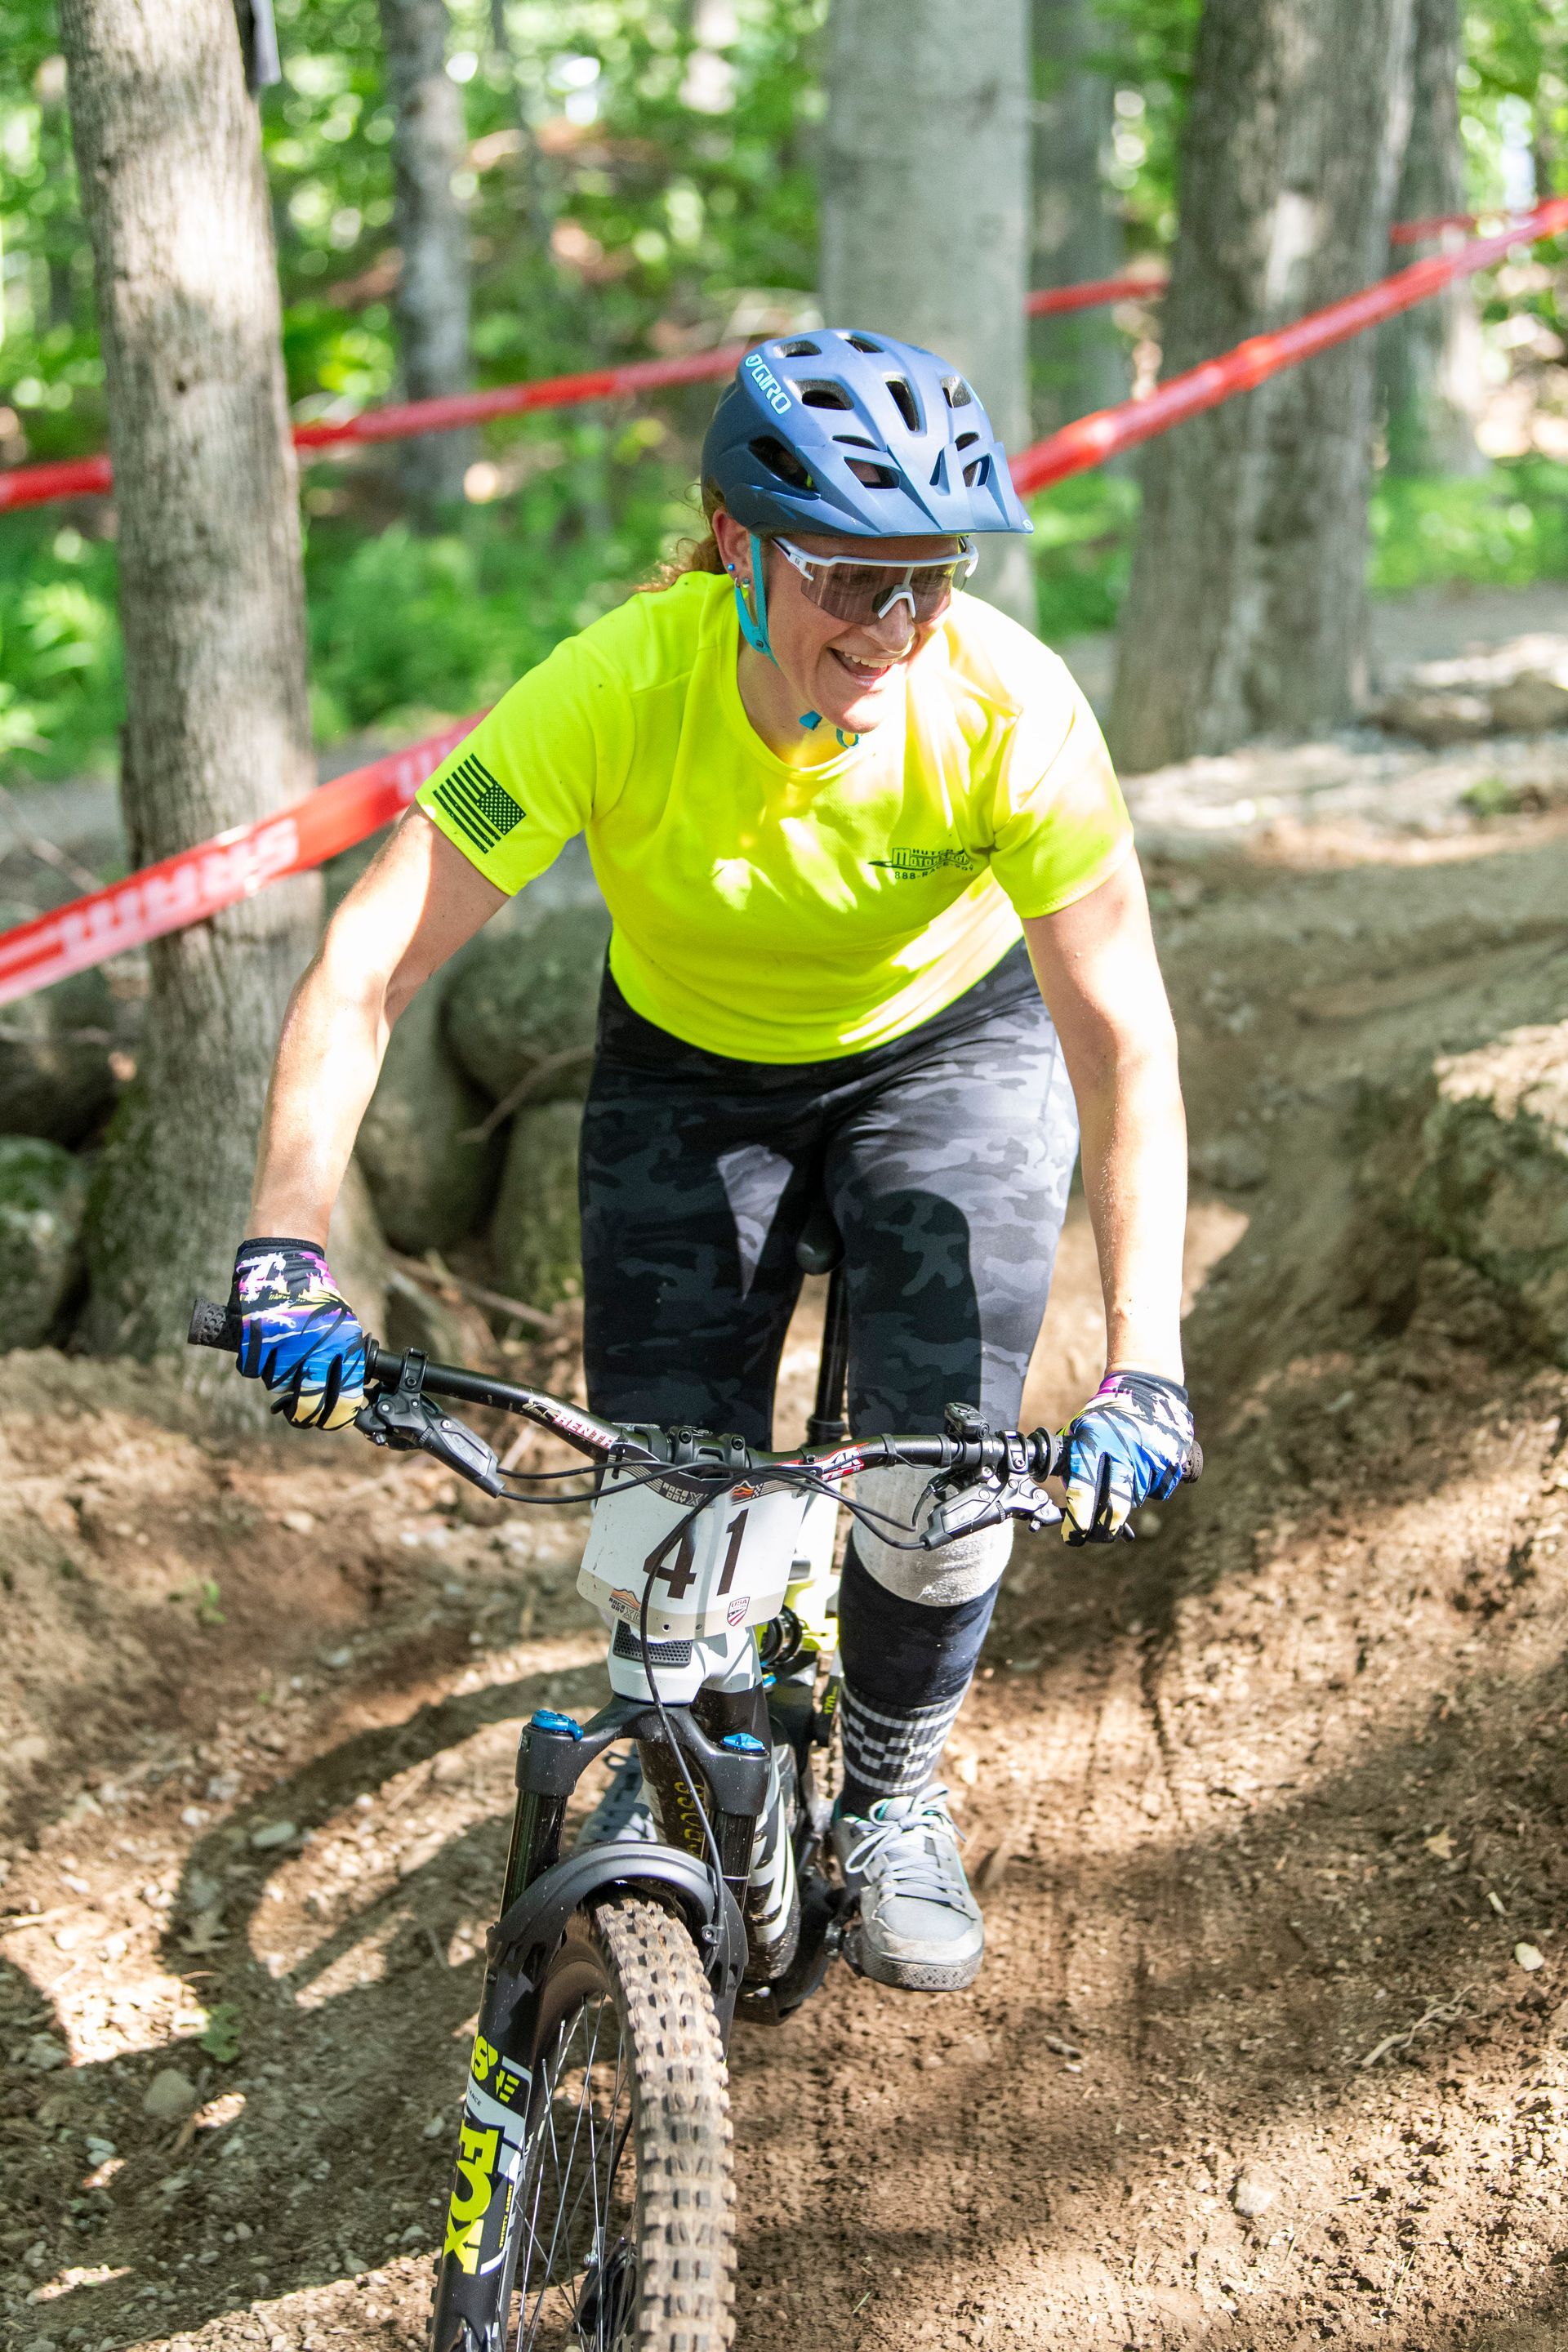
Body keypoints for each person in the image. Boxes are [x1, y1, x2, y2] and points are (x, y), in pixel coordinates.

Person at [231, 328, 1196, 1994]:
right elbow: (372, 956)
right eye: (849, 578)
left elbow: (1121, 1043)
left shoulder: (1012, 708)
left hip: (948, 1052)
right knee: (669, 1523)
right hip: (692, 1074)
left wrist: (1147, 1364)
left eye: (930, 581)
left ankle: (893, 1793)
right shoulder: (614, 686)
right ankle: (700, 1778)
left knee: (940, 1475)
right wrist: (285, 1245)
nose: (892, 630)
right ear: (738, 549)